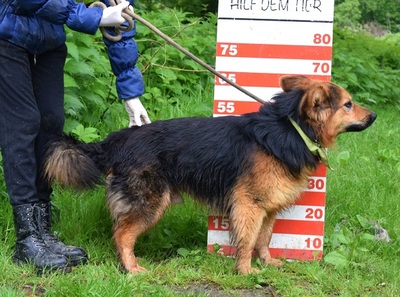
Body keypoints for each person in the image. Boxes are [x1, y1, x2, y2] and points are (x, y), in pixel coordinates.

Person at [0, 0, 150, 274]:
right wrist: (91, 17)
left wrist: (131, 93)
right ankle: (27, 238)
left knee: (50, 123)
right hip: (5, 35)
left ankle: (43, 232)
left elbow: (118, 12)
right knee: (22, 125)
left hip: (48, 42)